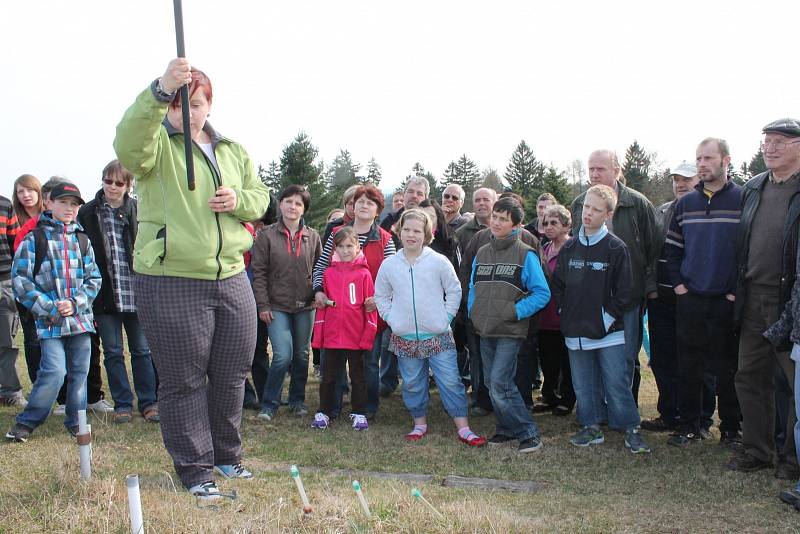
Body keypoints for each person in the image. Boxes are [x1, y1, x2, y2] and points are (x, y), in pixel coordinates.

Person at [114, 58, 270, 499]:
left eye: (196, 104)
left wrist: (238, 198)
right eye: (179, 106)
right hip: (171, 277)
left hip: (233, 274)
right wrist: (159, 90)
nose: (188, 113)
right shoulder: (154, 147)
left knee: (232, 372)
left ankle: (227, 456)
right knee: (183, 378)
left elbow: (260, 199)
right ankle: (195, 469)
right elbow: (127, 145)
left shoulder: (232, 149)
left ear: (209, 104)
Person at [553, 184, 650, 454]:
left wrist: (605, 318)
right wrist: (565, 312)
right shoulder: (570, 247)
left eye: (596, 210)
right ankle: (591, 426)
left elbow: (625, 291)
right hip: (576, 333)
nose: (588, 214)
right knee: (583, 384)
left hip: (609, 333)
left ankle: (630, 428)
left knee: (616, 382)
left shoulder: (616, 247)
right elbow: (558, 285)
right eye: (586, 207)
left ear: (608, 214)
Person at [375, 209, 486, 447]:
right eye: (407, 229)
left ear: (426, 234)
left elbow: (454, 290)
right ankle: (419, 423)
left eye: (417, 231)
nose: (411, 235)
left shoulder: (438, 261)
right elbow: (381, 296)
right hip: (404, 335)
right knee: (413, 381)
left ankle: (464, 428)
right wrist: (392, 319)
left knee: (449, 381)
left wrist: (444, 318)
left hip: (438, 335)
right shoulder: (389, 265)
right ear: (399, 231)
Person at [729, 118, 800, 479]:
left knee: (793, 381)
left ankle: (791, 459)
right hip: (753, 294)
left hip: (790, 299)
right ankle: (758, 450)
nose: (769, 148)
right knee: (749, 375)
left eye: (779, 142)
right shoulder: (754, 188)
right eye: (766, 141)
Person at [6, 183, 102, 442]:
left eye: (74, 204)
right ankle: (28, 421)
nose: (69, 208)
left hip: (80, 322)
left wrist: (76, 302)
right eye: (63, 202)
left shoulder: (82, 240)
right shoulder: (34, 239)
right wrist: (49, 307)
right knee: (54, 372)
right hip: (50, 323)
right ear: (48, 204)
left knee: (80, 374)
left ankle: (76, 420)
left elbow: (94, 278)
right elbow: (21, 281)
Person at [664, 138, 742, 447]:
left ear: (726, 160)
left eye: (708, 158)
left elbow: (748, 252)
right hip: (691, 299)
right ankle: (690, 427)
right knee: (690, 367)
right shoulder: (685, 204)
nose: (702, 164)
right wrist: (681, 288)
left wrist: (735, 292)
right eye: (699, 159)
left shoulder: (742, 199)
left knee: (728, 368)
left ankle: (731, 430)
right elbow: (671, 251)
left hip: (726, 300)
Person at [571, 149, 659, 404]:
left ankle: (623, 408)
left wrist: (649, 286)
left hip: (629, 295)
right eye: (591, 169)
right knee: (594, 352)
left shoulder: (637, 202)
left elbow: (653, 246)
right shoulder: (579, 203)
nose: (595, 174)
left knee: (627, 355)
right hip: (592, 296)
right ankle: (597, 409)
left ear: (617, 170)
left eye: (601, 168)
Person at [77, 160, 159, 424]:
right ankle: (123, 403)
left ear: (128, 185)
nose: (112, 187)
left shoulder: (139, 209)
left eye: (119, 182)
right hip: (104, 294)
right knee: (112, 351)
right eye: (108, 181)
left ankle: (149, 402)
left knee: (142, 350)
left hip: (137, 292)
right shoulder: (87, 213)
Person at [468, 197, 550, 453]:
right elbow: (473, 286)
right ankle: (505, 430)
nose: (497, 222)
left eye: (504, 219)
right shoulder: (482, 252)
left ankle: (528, 433)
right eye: (495, 216)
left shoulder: (525, 254)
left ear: (516, 225)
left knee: (501, 383)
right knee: (493, 385)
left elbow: (541, 293)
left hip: (509, 331)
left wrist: (514, 311)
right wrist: (474, 311)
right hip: (485, 329)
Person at [642, 162, 716, 433]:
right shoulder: (661, 211)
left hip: (694, 298)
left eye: (686, 178)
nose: (680, 184)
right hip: (661, 298)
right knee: (663, 358)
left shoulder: (707, 210)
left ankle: (702, 418)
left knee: (698, 360)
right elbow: (650, 254)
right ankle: (669, 413)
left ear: (699, 179)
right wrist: (651, 288)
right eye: (676, 179)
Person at [313, 184, 395, 418]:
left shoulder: (386, 239)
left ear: (378, 210)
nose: (364, 205)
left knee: (368, 364)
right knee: (335, 365)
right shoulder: (336, 232)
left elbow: (391, 275)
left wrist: (379, 300)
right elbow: (321, 266)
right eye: (360, 200)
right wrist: (318, 290)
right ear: (353, 205)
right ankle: (333, 408)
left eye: (370, 202)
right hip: (338, 315)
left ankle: (366, 408)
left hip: (369, 313)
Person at [252, 185, 321, 421]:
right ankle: (269, 404)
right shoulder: (266, 235)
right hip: (276, 306)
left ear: (304, 209)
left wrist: (319, 293)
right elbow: (258, 272)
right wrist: (263, 305)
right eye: (288, 201)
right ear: (280, 204)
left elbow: (319, 270)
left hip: (306, 305)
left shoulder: (313, 236)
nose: (293, 207)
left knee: (302, 354)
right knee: (282, 354)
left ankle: (297, 401)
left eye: (298, 203)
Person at [311, 227, 377, 430]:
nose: (345, 250)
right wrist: (318, 337)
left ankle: (359, 413)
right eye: (341, 246)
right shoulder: (328, 273)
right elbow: (322, 309)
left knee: (358, 377)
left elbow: (370, 309)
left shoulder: (365, 274)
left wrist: (367, 336)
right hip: (332, 337)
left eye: (350, 245)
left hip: (355, 337)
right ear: (334, 248)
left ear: (358, 246)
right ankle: (324, 411)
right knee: (329, 376)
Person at [536, 204, 575, 416]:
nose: (549, 227)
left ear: (566, 225)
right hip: (545, 315)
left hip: (565, 315)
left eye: (554, 223)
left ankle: (567, 398)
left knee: (567, 361)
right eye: (546, 223)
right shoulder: (544, 248)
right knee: (548, 360)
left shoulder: (573, 248)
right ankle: (549, 395)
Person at [0, 192, 23, 408]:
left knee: (6, 342)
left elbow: (15, 243)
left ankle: (11, 392)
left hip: (3, 282)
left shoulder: (5, 204)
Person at [419, 198, 460, 270]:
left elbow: (458, 270)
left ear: (438, 219)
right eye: (422, 216)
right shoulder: (410, 240)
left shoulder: (449, 241)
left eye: (430, 217)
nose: (426, 220)